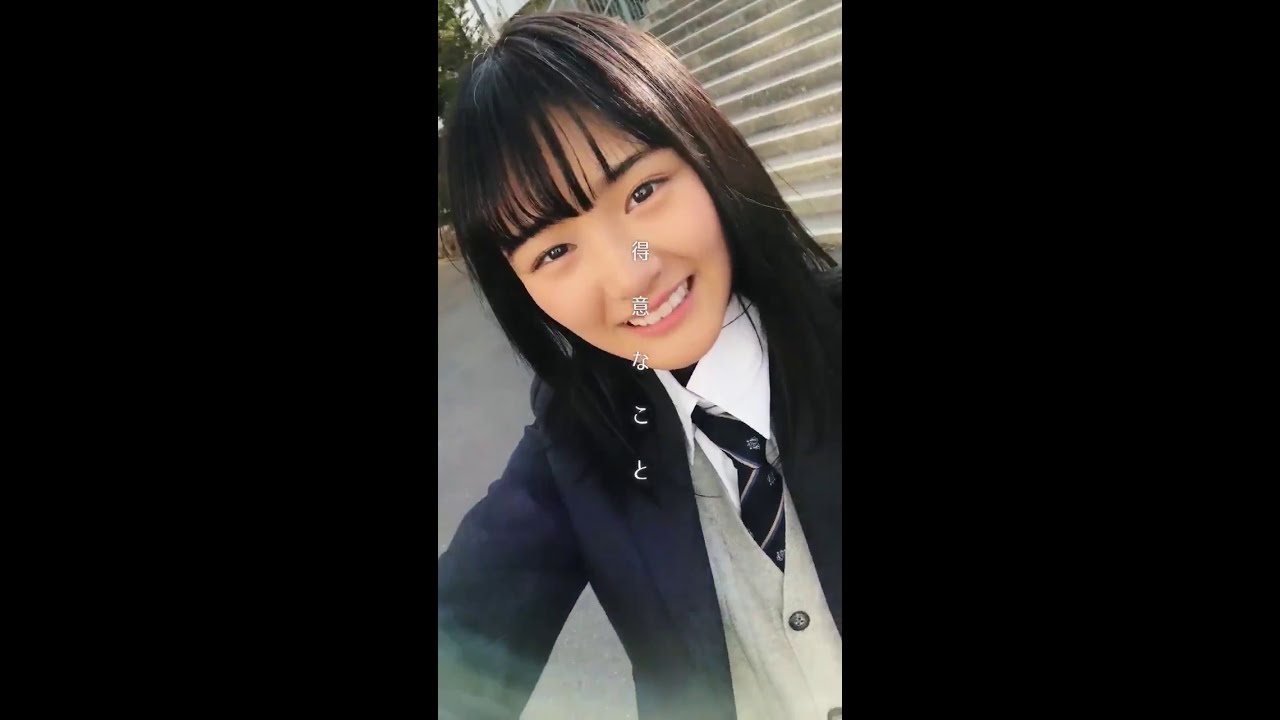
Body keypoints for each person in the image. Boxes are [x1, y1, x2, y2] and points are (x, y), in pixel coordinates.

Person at [437, 11, 842, 720]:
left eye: (642, 193)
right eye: (554, 251)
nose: (630, 278)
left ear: (704, 151)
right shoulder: (576, 441)